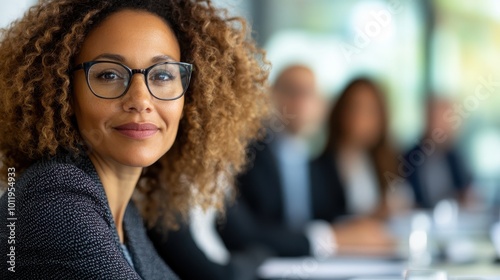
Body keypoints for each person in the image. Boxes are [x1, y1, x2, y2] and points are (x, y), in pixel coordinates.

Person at [0, 0, 269, 279]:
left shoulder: (123, 211)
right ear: (62, 91)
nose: (140, 100)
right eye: (109, 74)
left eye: (163, 75)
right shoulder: (54, 198)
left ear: (192, 97)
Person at [219, 67, 394, 258]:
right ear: (270, 97)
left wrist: (360, 227)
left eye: (309, 93)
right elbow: (245, 234)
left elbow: (328, 217)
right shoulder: (246, 157)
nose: (300, 102)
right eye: (291, 91)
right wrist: (330, 239)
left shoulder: (315, 163)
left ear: (320, 105)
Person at [314, 77, 399, 253]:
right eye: (355, 108)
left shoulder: (382, 162)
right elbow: (319, 223)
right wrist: (369, 216)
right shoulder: (319, 167)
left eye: (371, 111)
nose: (361, 118)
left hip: (378, 251)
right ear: (340, 112)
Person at [404, 98, 472, 208]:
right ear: (427, 120)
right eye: (438, 119)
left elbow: (466, 190)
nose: (442, 126)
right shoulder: (409, 158)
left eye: (448, 120)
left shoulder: (455, 157)